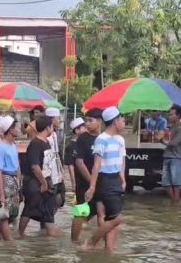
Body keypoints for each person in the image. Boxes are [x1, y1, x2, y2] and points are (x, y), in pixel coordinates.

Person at [84, 107, 127, 252]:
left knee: (108, 216)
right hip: (105, 180)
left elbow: (121, 162)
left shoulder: (120, 140)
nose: (123, 122)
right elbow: (96, 165)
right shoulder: (101, 139)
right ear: (115, 121)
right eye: (121, 119)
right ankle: (92, 242)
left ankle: (109, 249)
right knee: (117, 218)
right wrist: (92, 187)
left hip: (115, 180)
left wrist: (123, 180)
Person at [19, 116, 58, 237]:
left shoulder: (46, 142)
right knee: (29, 208)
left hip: (46, 181)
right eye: (52, 126)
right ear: (47, 127)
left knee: (48, 210)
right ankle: (20, 234)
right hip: (34, 182)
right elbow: (35, 166)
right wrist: (43, 183)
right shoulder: (35, 144)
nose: (53, 129)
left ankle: (50, 236)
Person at [71, 109, 104, 243]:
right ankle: (74, 242)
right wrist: (92, 183)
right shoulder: (83, 139)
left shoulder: (104, 138)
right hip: (85, 183)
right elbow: (79, 162)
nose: (87, 123)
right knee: (81, 212)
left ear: (100, 121)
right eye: (86, 120)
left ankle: (100, 243)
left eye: (90, 120)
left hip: (102, 182)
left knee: (102, 213)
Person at [0, 116, 21, 241]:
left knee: (13, 211)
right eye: (16, 127)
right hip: (6, 179)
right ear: (10, 130)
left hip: (14, 179)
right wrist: (1, 192)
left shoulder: (13, 145)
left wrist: (19, 181)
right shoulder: (1, 147)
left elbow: (17, 165)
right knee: (5, 212)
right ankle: (9, 242)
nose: (19, 129)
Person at [156, 107, 181, 201]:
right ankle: (174, 201)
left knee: (176, 182)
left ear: (178, 115)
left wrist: (163, 140)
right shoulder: (171, 128)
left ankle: (175, 201)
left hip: (176, 157)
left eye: (171, 114)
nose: (169, 116)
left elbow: (174, 143)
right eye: (169, 114)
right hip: (167, 155)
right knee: (165, 182)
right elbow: (169, 142)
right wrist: (161, 139)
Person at [44, 107, 66, 207]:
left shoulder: (54, 134)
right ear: (52, 119)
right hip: (50, 175)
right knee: (50, 202)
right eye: (58, 118)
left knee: (60, 200)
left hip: (58, 175)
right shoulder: (46, 137)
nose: (60, 120)